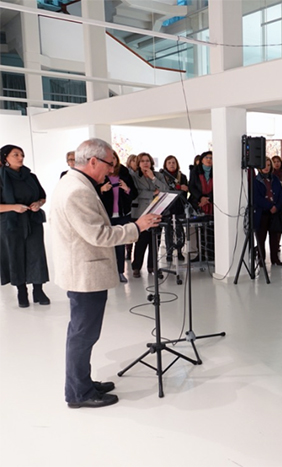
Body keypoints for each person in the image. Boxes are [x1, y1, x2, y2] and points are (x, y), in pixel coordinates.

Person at [51, 138, 161, 409]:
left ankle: (83, 383)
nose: (112, 170)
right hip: (84, 273)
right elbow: (98, 234)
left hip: (83, 269)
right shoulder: (77, 190)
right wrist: (137, 227)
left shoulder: (75, 183)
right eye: (109, 164)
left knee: (82, 332)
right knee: (83, 334)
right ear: (92, 161)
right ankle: (79, 393)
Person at [0, 144, 50, 307]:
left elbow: (42, 196)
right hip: (10, 223)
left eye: (22, 155)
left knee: (37, 254)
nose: (20, 158)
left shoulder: (31, 176)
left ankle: (38, 289)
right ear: (5, 157)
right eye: (16, 155)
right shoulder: (1, 177)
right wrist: (14, 207)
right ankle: (22, 291)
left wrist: (38, 203)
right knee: (15, 255)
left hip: (32, 220)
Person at [99, 152, 138, 283]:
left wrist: (127, 189)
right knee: (106, 245)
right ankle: (107, 272)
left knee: (120, 244)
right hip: (107, 215)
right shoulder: (100, 175)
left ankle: (120, 272)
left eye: (114, 158)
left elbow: (134, 194)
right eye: (109, 159)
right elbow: (92, 194)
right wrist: (102, 190)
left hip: (122, 215)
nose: (112, 161)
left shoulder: (125, 174)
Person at [131, 152, 169, 277]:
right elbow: (136, 193)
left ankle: (152, 266)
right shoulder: (134, 176)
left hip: (157, 211)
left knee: (155, 241)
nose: (145, 163)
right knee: (141, 241)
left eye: (147, 160)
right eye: (142, 161)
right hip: (141, 212)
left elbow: (165, 189)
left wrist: (153, 178)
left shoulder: (158, 175)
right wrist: (152, 194)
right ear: (138, 163)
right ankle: (136, 266)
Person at [254, 157, 282, 266]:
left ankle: (275, 259)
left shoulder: (275, 179)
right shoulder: (256, 180)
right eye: (263, 165)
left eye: (268, 165)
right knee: (261, 238)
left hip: (274, 213)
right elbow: (256, 198)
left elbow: (281, 195)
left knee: (274, 238)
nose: (266, 168)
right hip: (262, 212)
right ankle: (261, 259)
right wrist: (269, 206)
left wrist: (276, 207)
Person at [160, 155, 188, 262]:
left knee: (179, 230)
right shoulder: (162, 177)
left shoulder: (182, 177)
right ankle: (169, 252)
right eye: (169, 163)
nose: (172, 165)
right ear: (165, 165)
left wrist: (181, 189)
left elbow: (185, 190)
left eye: (173, 162)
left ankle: (180, 251)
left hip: (179, 207)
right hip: (167, 208)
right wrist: (178, 188)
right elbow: (164, 190)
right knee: (168, 231)